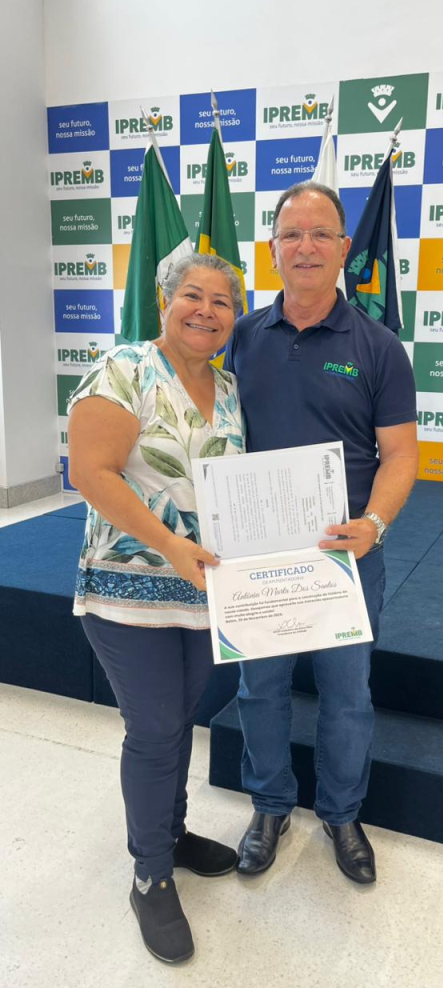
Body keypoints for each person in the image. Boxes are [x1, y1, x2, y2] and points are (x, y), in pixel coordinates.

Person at [225, 182, 418, 885]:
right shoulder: (241, 337)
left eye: (319, 234)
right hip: (257, 556)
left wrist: (374, 524)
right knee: (260, 691)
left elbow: (401, 455)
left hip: (346, 555)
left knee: (347, 697)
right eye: (291, 234)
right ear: (273, 249)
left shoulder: (380, 347)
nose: (304, 246)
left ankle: (341, 813)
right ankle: (270, 805)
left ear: (343, 249)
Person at [67, 254, 244, 964]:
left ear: (234, 318)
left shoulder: (230, 387)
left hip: (203, 593)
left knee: (180, 721)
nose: (206, 310)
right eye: (192, 296)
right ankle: (149, 874)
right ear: (163, 301)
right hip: (127, 589)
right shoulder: (124, 370)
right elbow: (90, 472)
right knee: (155, 728)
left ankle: (171, 833)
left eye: (222, 302)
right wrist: (170, 544)